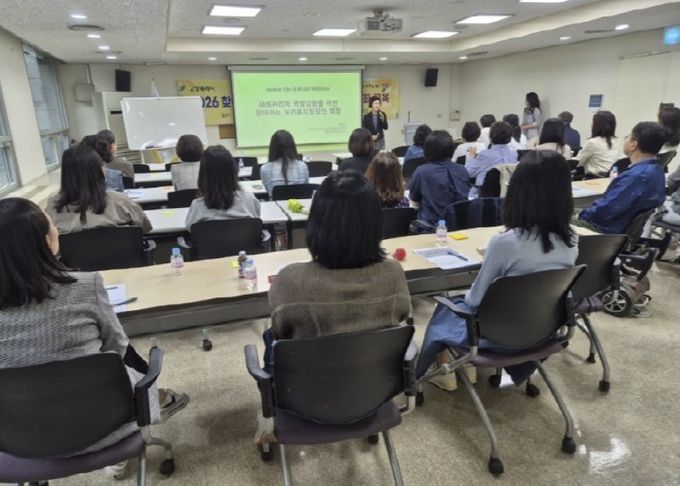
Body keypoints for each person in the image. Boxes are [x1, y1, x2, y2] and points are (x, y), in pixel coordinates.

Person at [0, 197, 188, 475]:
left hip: (18, 441)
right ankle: (160, 402)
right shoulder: (85, 287)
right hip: (105, 429)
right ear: (45, 241)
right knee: (127, 370)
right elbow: (118, 348)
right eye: (52, 225)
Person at [416, 151, 578, 387]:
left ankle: (442, 371)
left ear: (518, 191)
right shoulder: (572, 238)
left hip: (497, 337)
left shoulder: (506, 243)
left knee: (446, 307)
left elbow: (475, 299)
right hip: (544, 331)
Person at [264, 171, 411, 361]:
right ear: (375, 223)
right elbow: (402, 315)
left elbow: (280, 330)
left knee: (270, 337)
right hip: (377, 375)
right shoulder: (393, 273)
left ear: (315, 223)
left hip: (310, 375)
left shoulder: (290, 280)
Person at [578, 122, 666, 234]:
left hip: (603, 230)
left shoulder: (635, 176)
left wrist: (580, 215)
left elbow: (606, 208)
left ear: (633, 144)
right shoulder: (657, 170)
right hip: (623, 230)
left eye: (628, 136)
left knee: (559, 217)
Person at [45, 144, 152, 234]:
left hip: (73, 253)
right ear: (99, 171)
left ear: (65, 175)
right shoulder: (120, 201)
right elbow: (145, 227)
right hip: (121, 253)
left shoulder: (52, 206)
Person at [185, 145, 261, 229]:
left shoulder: (197, 205)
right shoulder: (249, 199)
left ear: (203, 175)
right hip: (244, 237)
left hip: (211, 238)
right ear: (233, 171)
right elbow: (256, 221)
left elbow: (190, 228)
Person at [408, 130, 470, 227]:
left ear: (427, 150)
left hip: (429, 227)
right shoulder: (463, 171)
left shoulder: (421, 172)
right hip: (458, 226)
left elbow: (414, 201)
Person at [465, 121, 518, 187]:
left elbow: (468, 173)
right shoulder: (514, 154)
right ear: (510, 137)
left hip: (483, 191)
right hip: (506, 190)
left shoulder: (484, 155)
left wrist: (472, 156)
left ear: (491, 137)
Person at [573, 111, 624, 177]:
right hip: (614, 178)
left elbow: (578, 162)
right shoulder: (620, 141)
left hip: (595, 178)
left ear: (596, 125)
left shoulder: (592, 142)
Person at [260, 130, 309, 197]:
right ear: (293, 146)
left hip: (275, 203)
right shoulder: (303, 166)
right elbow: (306, 189)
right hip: (299, 203)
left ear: (272, 147)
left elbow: (269, 191)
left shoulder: (265, 169)